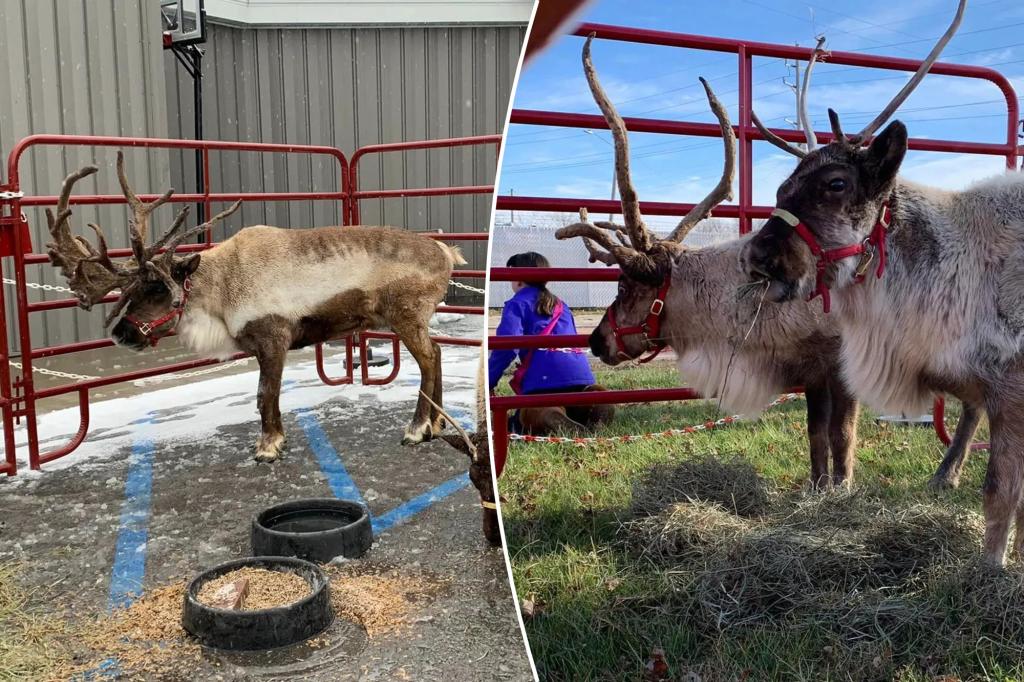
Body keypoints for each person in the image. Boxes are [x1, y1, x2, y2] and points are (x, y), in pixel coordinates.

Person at [489, 252, 615, 435]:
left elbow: (506, 346)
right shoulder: (561, 305)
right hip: (579, 377)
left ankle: (549, 416)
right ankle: (595, 404)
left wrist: (489, 379)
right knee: (583, 397)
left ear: (517, 278)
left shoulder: (516, 304)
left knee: (526, 416)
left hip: (542, 379)